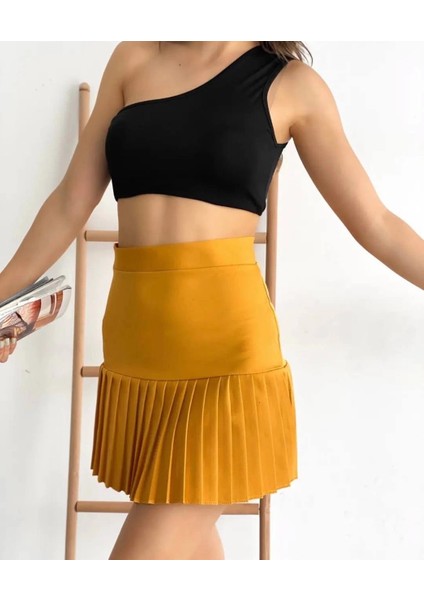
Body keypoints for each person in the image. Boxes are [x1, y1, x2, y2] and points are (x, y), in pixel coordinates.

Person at [0, 41, 423, 560]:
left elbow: (376, 223)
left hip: (228, 361)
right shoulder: (133, 58)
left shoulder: (293, 86)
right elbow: (70, 202)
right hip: (138, 358)